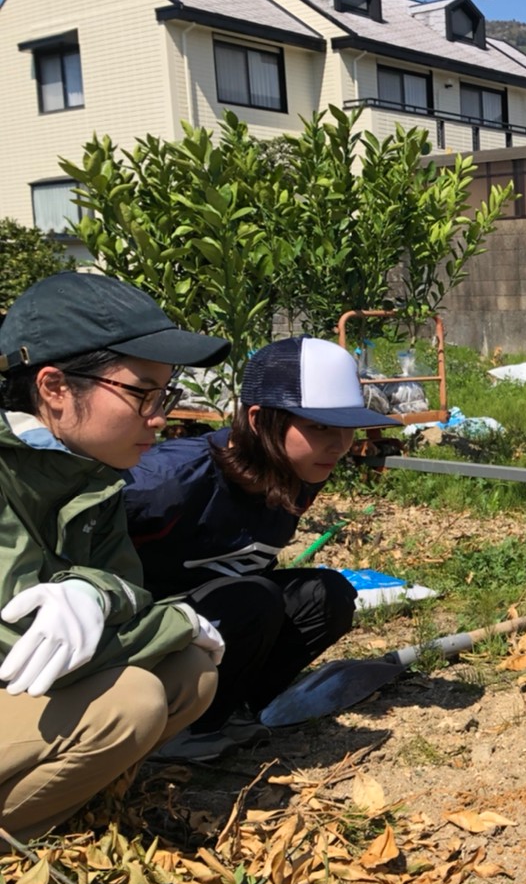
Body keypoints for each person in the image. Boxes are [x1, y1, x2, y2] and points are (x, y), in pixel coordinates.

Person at [0, 272, 229, 840]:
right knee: (132, 701)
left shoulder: (89, 475)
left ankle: (63, 812)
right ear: (54, 387)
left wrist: (96, 593)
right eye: (141, 393)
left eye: (166, 394)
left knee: (190, 674)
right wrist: (172, 621)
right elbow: (19, 643)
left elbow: (120, 582)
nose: (159, 416)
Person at [124, 336, 398, 761]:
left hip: (215, 619)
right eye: (320, 426)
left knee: (328, 597)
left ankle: (228, 712)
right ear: (258, 419)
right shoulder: (163, 483)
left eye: (347, 426)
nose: (340, 443)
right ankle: (175, 727)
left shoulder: (300, 472)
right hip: (139, 636)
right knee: (254, 598)